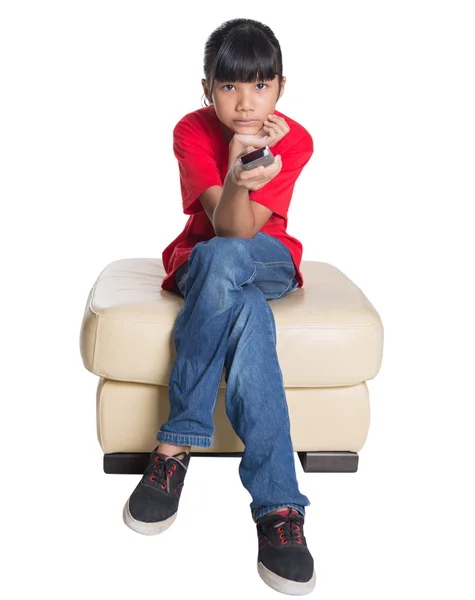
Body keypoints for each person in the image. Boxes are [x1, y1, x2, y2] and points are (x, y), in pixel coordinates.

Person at [123, 18, 316, 595]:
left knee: (234, 263)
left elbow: (244, 235)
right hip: (204, 258)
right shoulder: (191, 130)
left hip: (269, 258)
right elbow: (223, 227)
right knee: (246, 308)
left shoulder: (296, 139)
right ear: (207, 89)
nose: (245, 101)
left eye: (259, 86)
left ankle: (176, 443)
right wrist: (236, 170)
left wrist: (253, 169)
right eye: (229, 86)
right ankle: (280, 508)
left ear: (281, 86)